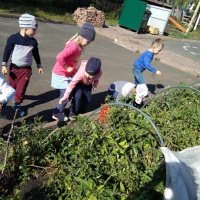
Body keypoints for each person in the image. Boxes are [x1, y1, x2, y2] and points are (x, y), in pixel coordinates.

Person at [51, 22, 96, 122]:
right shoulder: (73, 47)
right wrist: (67, 68)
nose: (88, 44)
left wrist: (72, 70)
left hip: (66, 73)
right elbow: (59, 57)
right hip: (60, 73)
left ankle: (60, 110)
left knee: (68, 93)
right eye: (88, 41)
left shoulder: (78, 47)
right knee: (67, 94)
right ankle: (57, 113)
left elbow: (70, 60)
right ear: (82, 37)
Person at [1, 13, 44, 116]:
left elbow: (36, 54)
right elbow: (7, 51)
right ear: (25, 28)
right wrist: (4, 65)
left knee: (21, 89)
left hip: (26, 70)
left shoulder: (33, 42)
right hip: (14, 69)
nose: (35, 31)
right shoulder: (13, 39)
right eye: (33, 29)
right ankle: (2, 103)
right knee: (11, 88)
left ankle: (17, 104)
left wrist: (39, 65)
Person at [58, 57, 102, 121]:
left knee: (87, 99)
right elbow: (71, 84)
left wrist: (95, 84)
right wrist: (65, 96)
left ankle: (81, 112)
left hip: (88, 85)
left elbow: (97, 78)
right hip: (79, 83)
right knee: (78, 97)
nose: (88, 76)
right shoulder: (81, 73)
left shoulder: (99, 73)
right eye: (87, 73)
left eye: (91, 75)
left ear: (96, 73)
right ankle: (73, 111)